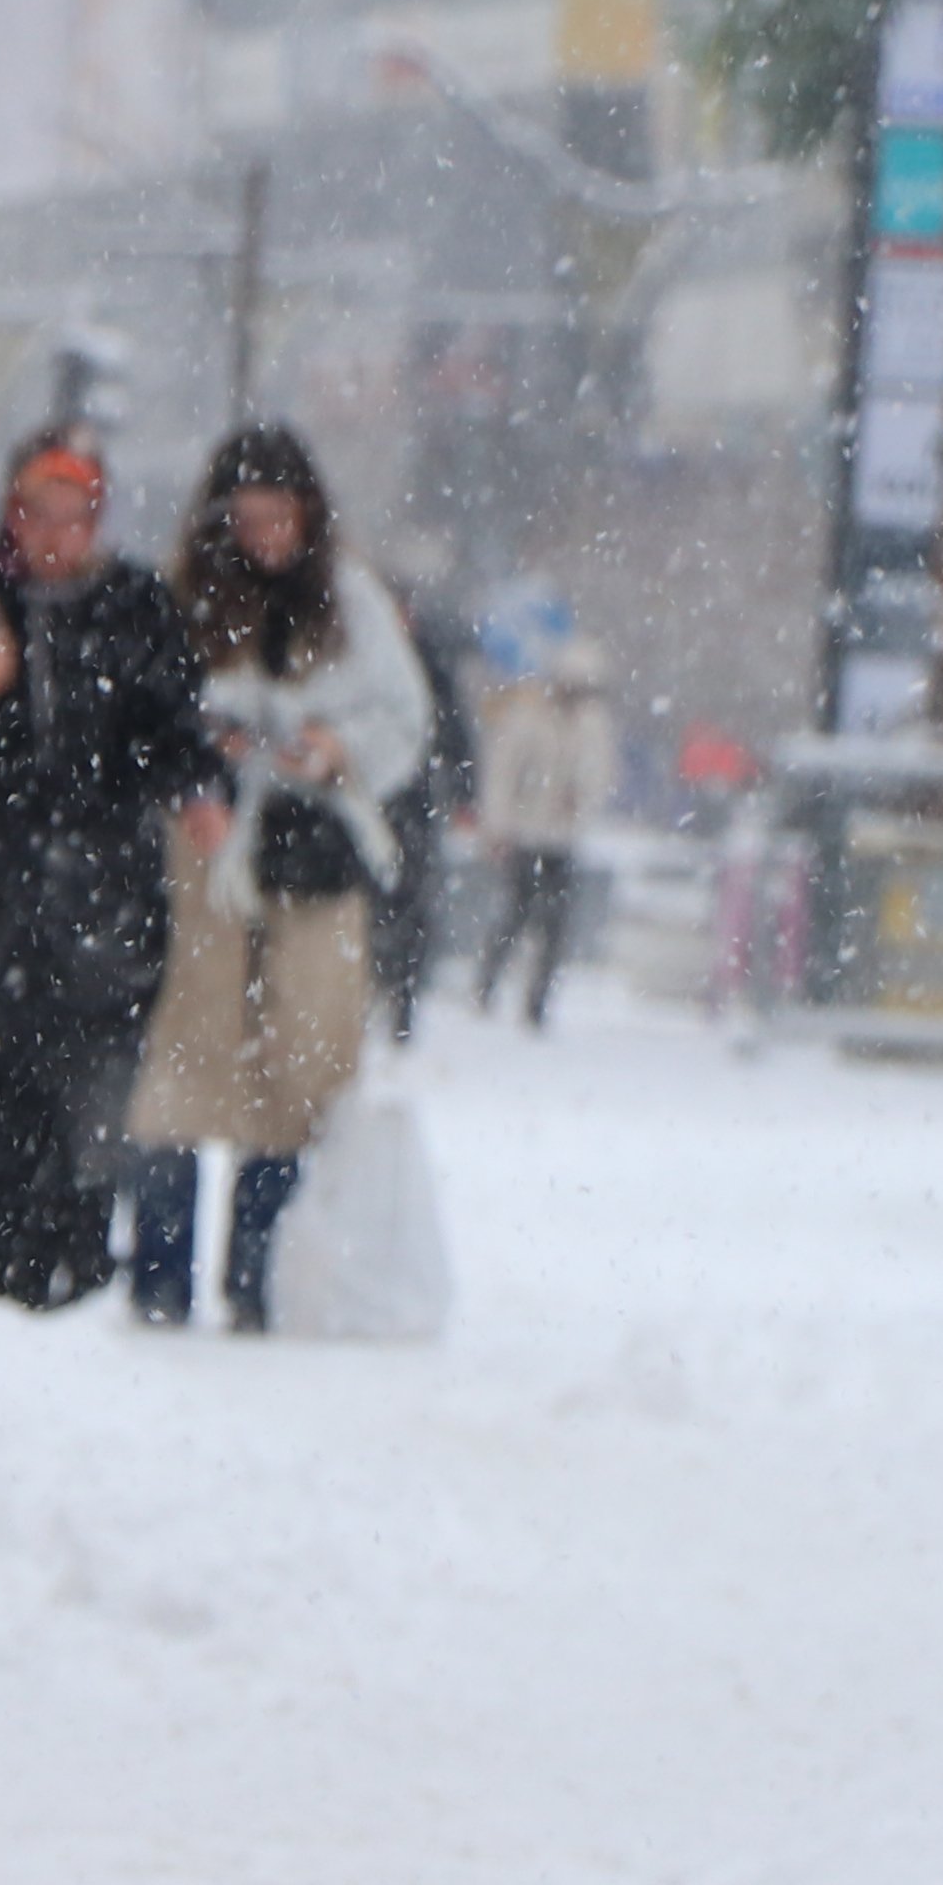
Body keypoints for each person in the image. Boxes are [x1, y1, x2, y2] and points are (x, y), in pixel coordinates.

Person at [0, 432, 222, 1308]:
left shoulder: (135, 603)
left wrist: (199, 790)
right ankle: (8, 1273)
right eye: (38, 512)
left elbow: (174, 728)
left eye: (76, 515)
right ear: (10, 512)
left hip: (109, 907)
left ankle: (79, 1269)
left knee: (94, 1109)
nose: (56, 534)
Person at [122, 423, 433, 1330]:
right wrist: (196, 768)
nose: (264, 537)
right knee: (188, 1045)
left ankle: (264, 1272)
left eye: (279, 517)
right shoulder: (181, 603)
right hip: (207, 847)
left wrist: (338, 749)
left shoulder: (353, 603)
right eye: (247, 518)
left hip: (316, 848)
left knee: (304, 1058)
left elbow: (404, 717)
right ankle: (160, 1274)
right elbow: (147, 713)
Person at [474, 638, 618, 1028]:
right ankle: (487, 986)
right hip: (524, 833)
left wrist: (581, 798)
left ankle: (537, 1001)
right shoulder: (527, 715)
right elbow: (503, 773)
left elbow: (600, 775)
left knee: (556, 924)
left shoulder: (593, 723)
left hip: (563, 838)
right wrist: (498, 826)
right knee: (515, 915)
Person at [377, 588, 477, 1044]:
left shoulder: (428, 664)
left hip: (413, 799)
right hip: (366, 797)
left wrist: (464, 793)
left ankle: (403, 996)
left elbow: (454, 728)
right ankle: (380, 984)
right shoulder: (361, 661)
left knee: (413, 902)